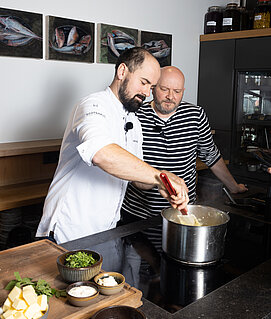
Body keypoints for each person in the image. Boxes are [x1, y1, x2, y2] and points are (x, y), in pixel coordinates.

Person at [36, 48, 189, 244]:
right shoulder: (92, 105)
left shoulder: (133, 120)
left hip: (105, 231)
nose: (146, 93)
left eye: (151, 87)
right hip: (69, 229)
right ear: (122, 71)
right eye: (143, 82)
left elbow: (139, 180)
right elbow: (102, 154)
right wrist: (160, 176)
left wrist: (162, 184)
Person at [121, 66, 247, 225]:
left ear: (183, 91)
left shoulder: (195, 115)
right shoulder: (134, 115)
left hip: (182, 212)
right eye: (164, 89)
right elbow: (125, 163)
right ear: (153, 88)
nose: (170, 96)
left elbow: (210, 155)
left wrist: (233, 186)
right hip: (139, 213)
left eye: (177, 91)